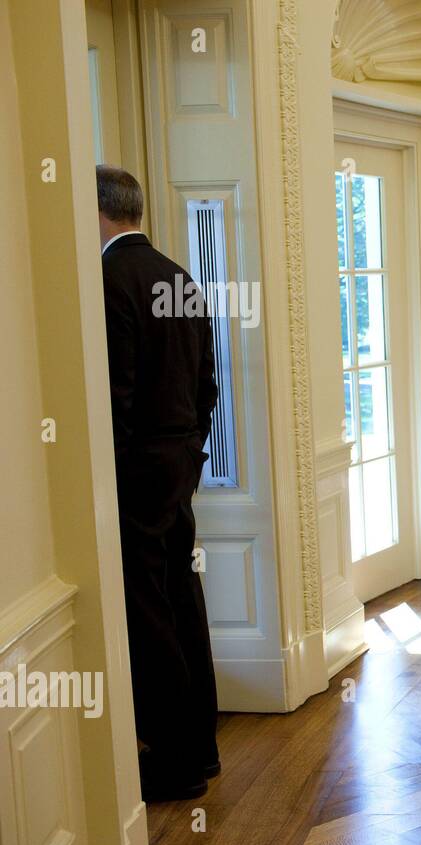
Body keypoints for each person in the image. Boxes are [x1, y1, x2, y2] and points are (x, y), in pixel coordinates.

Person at [97, 166, 221, 802]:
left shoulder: (109, 279)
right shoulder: (181, 278)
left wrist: (109, 477)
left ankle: (173, 763)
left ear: (99, 214)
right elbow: (208, 384)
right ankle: (201, 748)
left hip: (136, 473)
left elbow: (116, 396)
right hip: (177, 469)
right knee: (183, 600)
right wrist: (191, 459)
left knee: (148, 614)